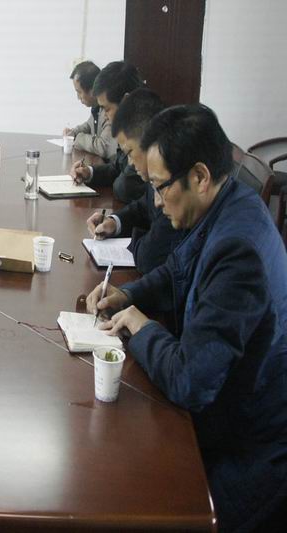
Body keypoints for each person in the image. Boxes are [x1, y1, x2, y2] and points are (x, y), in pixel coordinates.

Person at [87, 104, 287, 532]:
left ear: (199, 176)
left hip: (253, 444)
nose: (157, 203)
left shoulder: (239, 250)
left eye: (160, 187)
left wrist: (140, 325)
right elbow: (176, 268)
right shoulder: (225, 203)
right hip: (229, 411)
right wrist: (128, 294)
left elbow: (190, 380)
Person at [85, 88, 185, 273]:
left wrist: (139, 239)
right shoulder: (157, 180)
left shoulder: (174, 185)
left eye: (130, 152)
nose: (130, 162)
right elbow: (144, 206)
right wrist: (115, 222)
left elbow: (149, 257)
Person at [70, 61, 146, 203]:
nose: (104, 116)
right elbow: (117, 167)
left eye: (106, 109)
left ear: (126, 101)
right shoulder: (129, 129)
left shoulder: (148, 134)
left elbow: (125, 186)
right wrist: (89, 172)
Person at [63, 61, 117, 160]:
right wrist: (72, 133)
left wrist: (78, 138)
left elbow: (104, 146)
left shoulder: (109, 111)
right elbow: (88, 125)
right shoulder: (96, 107)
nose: (78, 97)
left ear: (92, 90)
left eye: (79, 92)